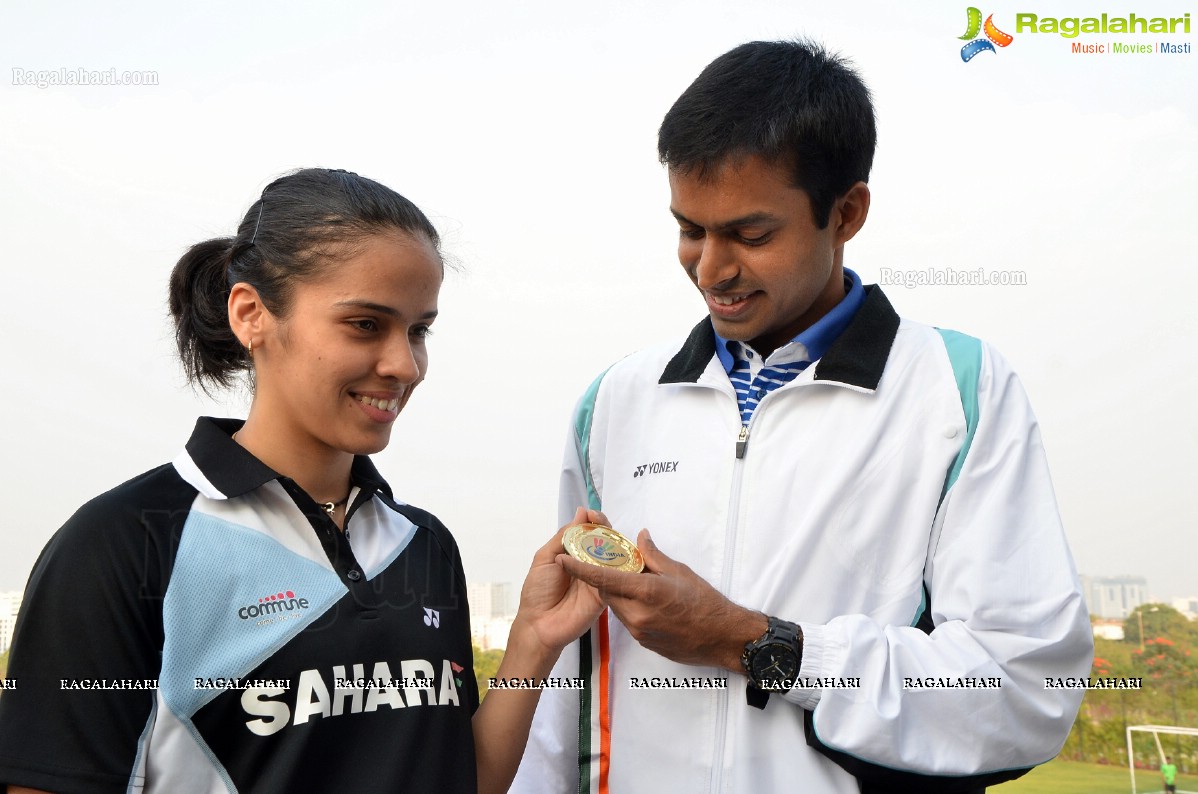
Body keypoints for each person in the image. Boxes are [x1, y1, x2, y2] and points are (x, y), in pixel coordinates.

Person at [513, 40, 1093, 793]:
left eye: (751, 235)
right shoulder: (614, 399)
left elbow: (1020, 691)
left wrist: (752, 643)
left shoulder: (958, 388)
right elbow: (573, 681)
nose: (712, 269)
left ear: (846, 212)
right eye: (690, 228)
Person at [0, 168, 602, 794]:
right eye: (366, 325)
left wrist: (533, 640)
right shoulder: (123, 544)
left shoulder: (423, 544)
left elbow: (463, 779)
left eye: (419, 330)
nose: (405, 365)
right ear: (251, 314)